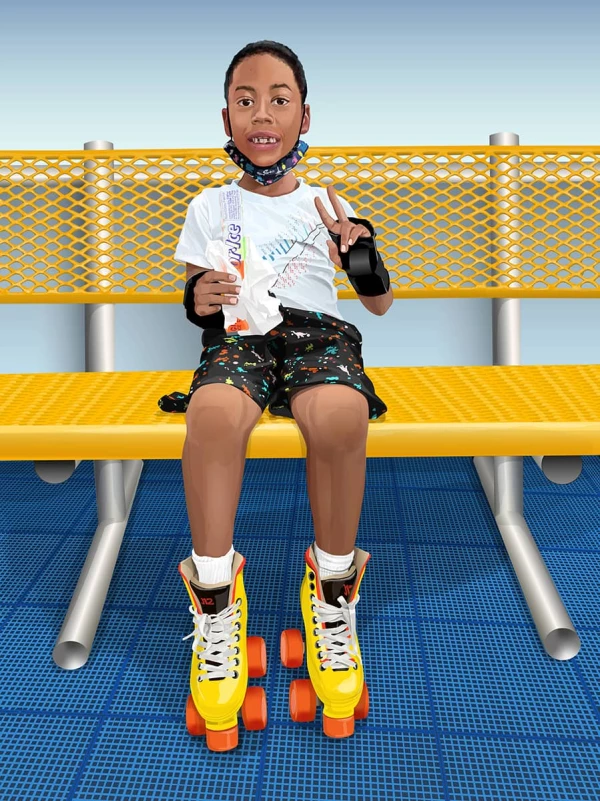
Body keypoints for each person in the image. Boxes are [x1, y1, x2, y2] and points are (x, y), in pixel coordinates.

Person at [158, 40, 393, 751]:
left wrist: (357, 249)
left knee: (342, 413)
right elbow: (199, 302)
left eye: (280, 99)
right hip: (242, 341)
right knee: (213, 412)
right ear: (226, 117)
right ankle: (216, 607)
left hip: (320, 335)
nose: (263, 114)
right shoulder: (210, 204)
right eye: (246, 99)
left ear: (304, 114)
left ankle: (331, 596)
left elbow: (377, 304)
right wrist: (199, 298)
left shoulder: (329, 202)